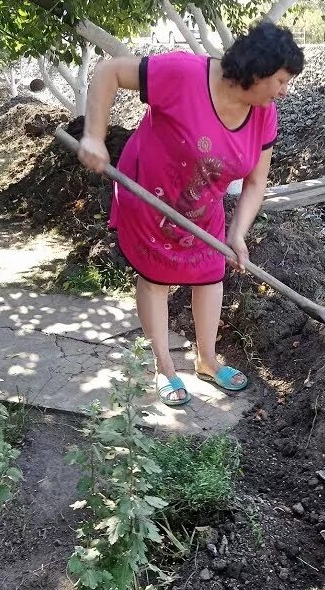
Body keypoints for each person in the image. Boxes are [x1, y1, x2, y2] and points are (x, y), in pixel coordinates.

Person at [76, 22, 305, 406]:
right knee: (156, 279)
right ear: (258, 71)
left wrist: (237, 234)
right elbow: (108, 71)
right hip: (148, 194)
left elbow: (254, 183)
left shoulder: (265, 114)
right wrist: (94, 136)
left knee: (210, 275)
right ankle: (163, 367)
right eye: (281, 81)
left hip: (202, 203)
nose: (284, 91)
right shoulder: (185, 75)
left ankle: (207, 361)